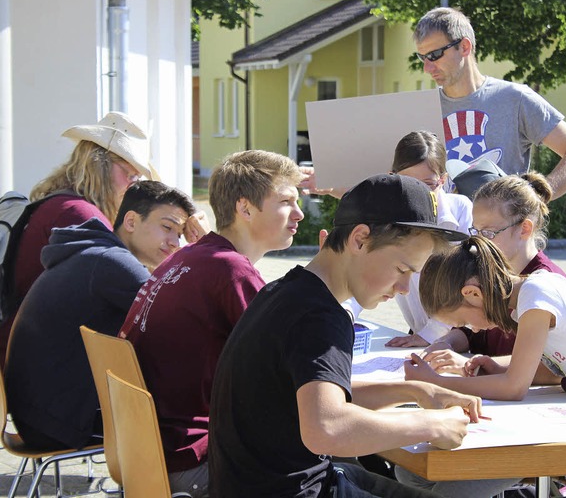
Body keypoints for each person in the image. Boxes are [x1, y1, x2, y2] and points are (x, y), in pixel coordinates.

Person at [208, 173, 484, 498]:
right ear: (360, 239)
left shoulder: (285, 292)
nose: (404, 288)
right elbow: (328, 427)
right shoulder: (320, 316)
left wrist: (417, 390)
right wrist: (431, 424)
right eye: (401, 270)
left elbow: (318, 392)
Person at [119, 150, 305, 498]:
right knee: (334, 461)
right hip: (193, 465)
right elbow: (293, 373)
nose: (299, 214)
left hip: (147, 458)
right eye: (286, 202)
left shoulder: (191, 257)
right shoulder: (230, 271)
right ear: (245, 208)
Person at [405, 235, 566, 497]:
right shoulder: (525, 299)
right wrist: (499, 367)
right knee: (414, 475)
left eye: (461, 320)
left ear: (472, 293)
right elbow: (558, 368)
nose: (469, 329)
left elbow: (515, 388)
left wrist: (436, 383)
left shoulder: (537, 297)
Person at [4, 181, 196, 453]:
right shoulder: (112, 263)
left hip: (36, 416)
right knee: (189, 419)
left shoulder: (93, 253)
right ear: (130, 221)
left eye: (181, 235)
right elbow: (186, 322)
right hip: (57, 424)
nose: (175, 243)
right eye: (167, 228)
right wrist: (204, 249)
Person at [0, 111, 158, 369]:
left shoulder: (62, 202)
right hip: (37, 366)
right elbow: (139, 291)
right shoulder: (78, 213)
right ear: (100, 164)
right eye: (129, 174)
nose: (133, 186)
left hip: (27, 355)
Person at [398, 172, 566, 382]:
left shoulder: (545, 283)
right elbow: (475, 331)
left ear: (524, 229)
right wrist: (446, 342)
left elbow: (554, 368)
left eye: (488, 232)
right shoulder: (489, 272)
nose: (479, 241)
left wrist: (472, 364)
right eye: (475, 231)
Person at [414, 7, 566, 200]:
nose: (427, 67)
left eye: (434, 55)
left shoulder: (514, 98)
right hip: (442, 229)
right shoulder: (421, 107)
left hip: (505, 229)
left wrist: (536, 199)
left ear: (464, 47)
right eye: (422, 58)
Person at [384, 130, 472, 348]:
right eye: (407, 183)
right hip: (418, 336)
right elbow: (364, 272)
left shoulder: (462, 210)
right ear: (392, 177)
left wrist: (431, 333)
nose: (418, 194)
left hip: (466, 338)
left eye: (428, 184)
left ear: (443, 180)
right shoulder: (384, 216)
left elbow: (472, 282)